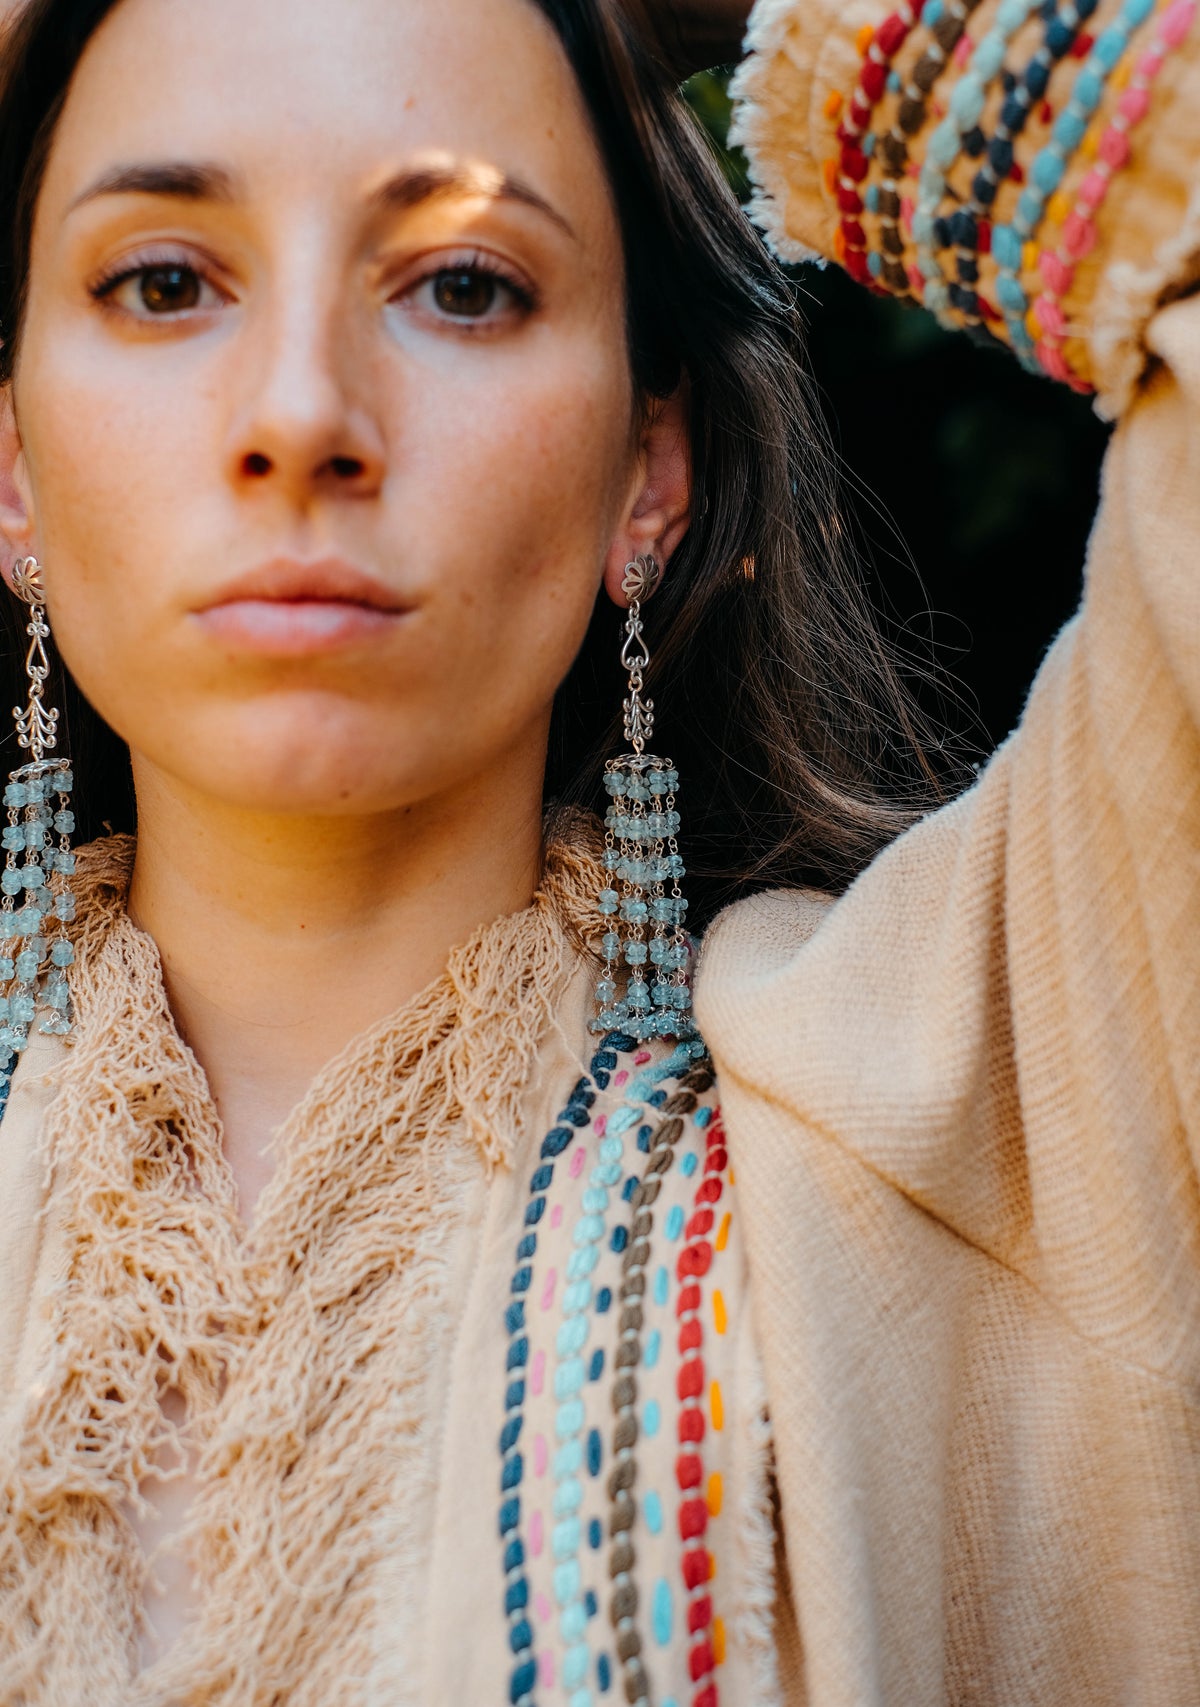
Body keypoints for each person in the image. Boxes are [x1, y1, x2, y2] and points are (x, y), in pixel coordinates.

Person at [0, 0, 1196, 1702]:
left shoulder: (956, 1147)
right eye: (165, 281)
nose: (300, 416)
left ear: (652, 475)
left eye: (465, 283)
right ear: (14, 475)